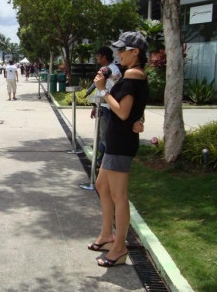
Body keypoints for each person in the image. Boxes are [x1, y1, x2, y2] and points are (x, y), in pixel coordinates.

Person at [88, 31, 149, 268]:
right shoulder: (132, 74)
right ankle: (107, 235)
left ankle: (119, 247)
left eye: (123, 50)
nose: (118, 54)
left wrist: (102, 90)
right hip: (116, 140)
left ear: (136, 52)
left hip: (121, 143)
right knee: (102, 186)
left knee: (119, 196)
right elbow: (134, 109)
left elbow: (123, 111)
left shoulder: (134, 74)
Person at [90, 47, 122, 166]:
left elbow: (117, 87)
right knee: (101, 136)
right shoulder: (103, 69)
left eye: (98, 56)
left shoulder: (113, 70)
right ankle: (101, 160)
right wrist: (94, 106)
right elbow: (99, 88)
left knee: (105, 137)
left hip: (107, 107)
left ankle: (110, 161)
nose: (97, 58)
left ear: (104, 56)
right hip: (101, 105)